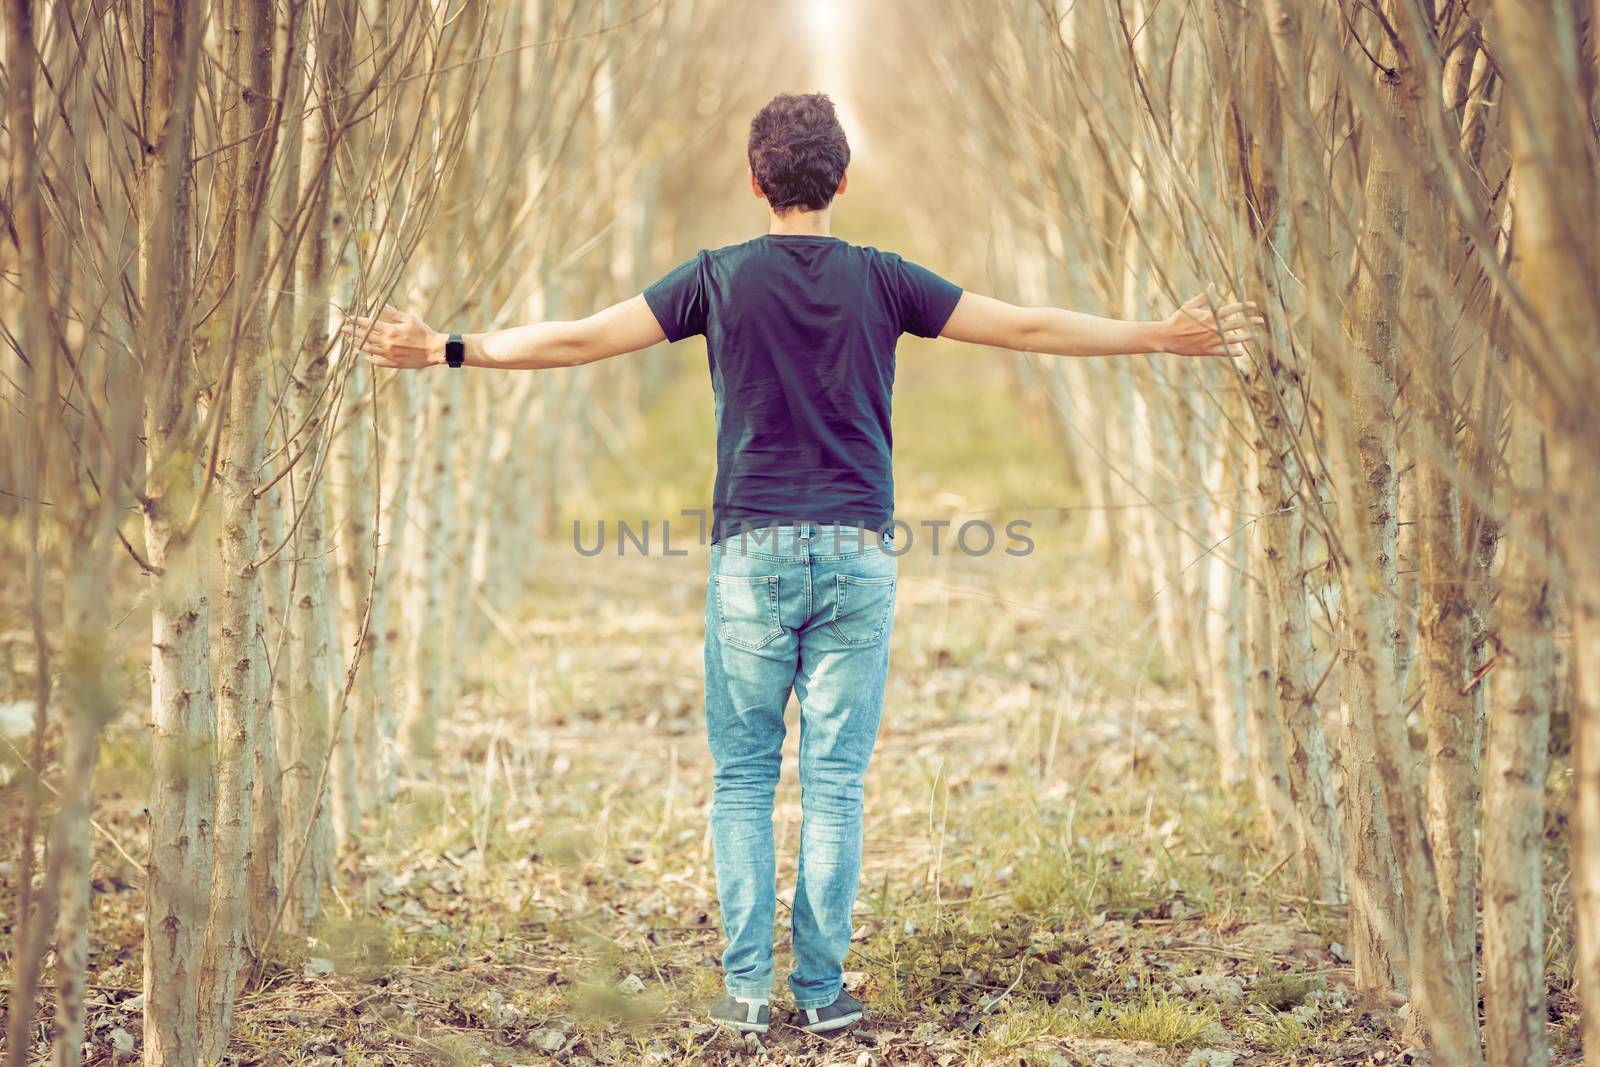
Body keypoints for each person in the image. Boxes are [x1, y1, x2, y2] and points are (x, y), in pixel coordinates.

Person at [342, 91, 1259, 1036]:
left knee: (743, 777)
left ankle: (745, 993)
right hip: (857, 553)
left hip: (751, 558)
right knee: (834, 781)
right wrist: (1160, 334)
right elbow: (1028, 327)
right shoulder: (884, 280)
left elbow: (579, 341)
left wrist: (447, 348)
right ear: (843, 180)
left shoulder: (717, 278)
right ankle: (822, 993)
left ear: (755, 182)